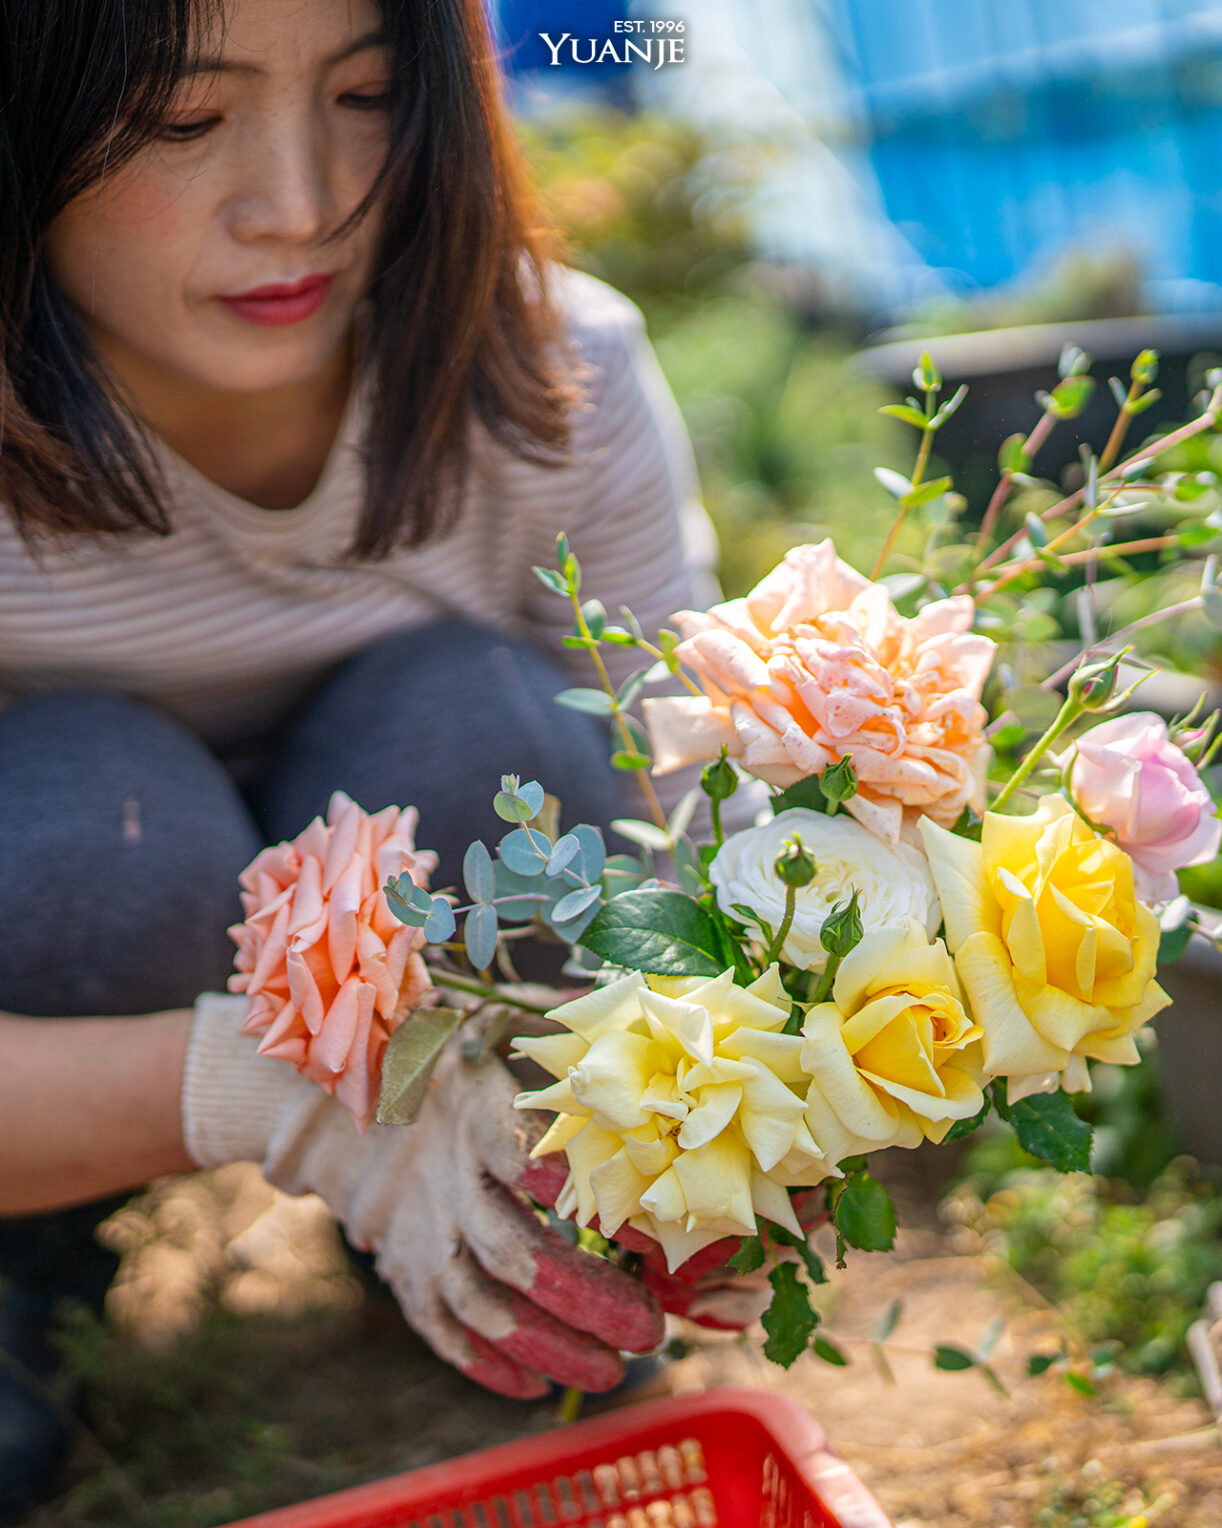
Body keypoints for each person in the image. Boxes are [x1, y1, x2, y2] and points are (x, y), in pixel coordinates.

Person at [0, 0, 725, 1514]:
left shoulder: (555, 370)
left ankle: (489, 1217)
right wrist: (268, 1096)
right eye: (181, 123)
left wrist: (734, 1090)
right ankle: (39, 1252)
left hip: (429, 887)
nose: (305, 204)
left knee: (494, 727)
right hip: (81, 941)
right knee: (91, 831)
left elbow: (695, 796)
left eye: (370, 95)